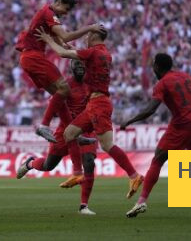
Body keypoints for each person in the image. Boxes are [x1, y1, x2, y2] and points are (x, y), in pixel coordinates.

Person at [33, 28, 144, 200]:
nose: (85, 39)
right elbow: (80, 56)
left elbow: (63, 53)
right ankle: (77, 173)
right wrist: (65, 45)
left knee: (107, 146)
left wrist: (48, 39)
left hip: (99, 104)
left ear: (93, 36)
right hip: (96, 103)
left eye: (87, 36)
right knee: (69, 133)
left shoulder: (93, 52)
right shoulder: (105, 54)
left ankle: (133, 175)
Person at [120, 53, 191, 218]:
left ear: (157, 67)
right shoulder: (185, 76)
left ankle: (141, 203)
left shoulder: (162, 83)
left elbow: (150, 110)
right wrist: (188, 102)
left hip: (181, 125)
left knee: (158, 159)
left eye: (153, 65)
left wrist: (130, 121)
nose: (153, 68)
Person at [15, 0, 105, 143]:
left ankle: (72, 132)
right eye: (66, 9)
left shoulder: (46, 13)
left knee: (61, 96)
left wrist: (67, 46)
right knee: (64, 88)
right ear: (59, 3)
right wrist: (90, 28)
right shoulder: (49, 13)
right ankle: (44, 125)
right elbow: (65, 36)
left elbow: (60, 40)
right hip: (33, 56)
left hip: (30, 57)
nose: (66, 13)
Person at [16, 60, 99, 215]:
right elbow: (54, 102)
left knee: (89, 162)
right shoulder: (65, 85)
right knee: (49, 165)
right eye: (77, 66)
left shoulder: (91, 85)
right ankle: (30, 164)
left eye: (83, 66)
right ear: (71, 69)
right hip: (65, 129)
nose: (80, 69)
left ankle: (83, 206)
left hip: (86, 128)